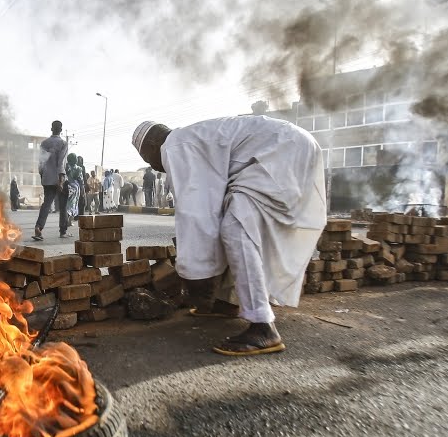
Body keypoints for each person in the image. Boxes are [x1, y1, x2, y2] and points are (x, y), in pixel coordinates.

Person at [132, 115, 326, 356]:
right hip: (290, 146)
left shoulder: (175, 145)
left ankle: (263, 327)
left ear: (151, 146)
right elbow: (210, 207)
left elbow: (196, 212)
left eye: (145, 158)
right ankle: (227, 302)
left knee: (237, 227)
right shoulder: (192, 138)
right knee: (229, 216)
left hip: (281, 151)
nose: (151, 166)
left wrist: (196, 275)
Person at [34, 120, 69, 241]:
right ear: (61, 129)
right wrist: (60, 180)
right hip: (59, 178)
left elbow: (41, 163)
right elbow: (61, 162)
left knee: (47, 204)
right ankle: (63, 231)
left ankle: (39, 227)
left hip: (47, 178)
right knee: (63, 206)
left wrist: (42, 176)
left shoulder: (44, 143)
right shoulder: (63, 143)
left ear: (51, 129)